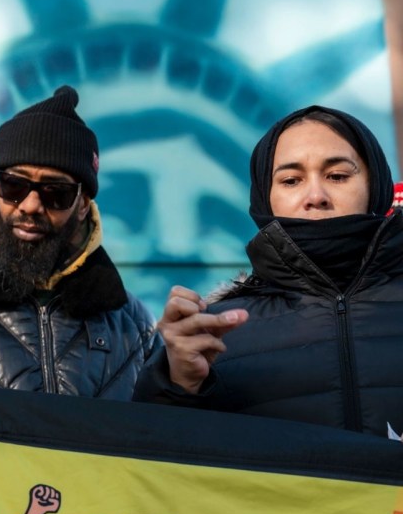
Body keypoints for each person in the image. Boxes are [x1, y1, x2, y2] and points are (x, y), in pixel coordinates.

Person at [134, 104, 403, 435]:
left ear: (376, 187)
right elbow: (156, 452)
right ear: (265, 197)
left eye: (337, 176)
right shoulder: (214, 333)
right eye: (291, 180)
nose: (316, 196)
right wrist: (176, 384)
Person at [0, 85, 160, 397]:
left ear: (83, 205)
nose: (30, 205)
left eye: (56, 192)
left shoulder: (133, 323)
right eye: (13, 186)